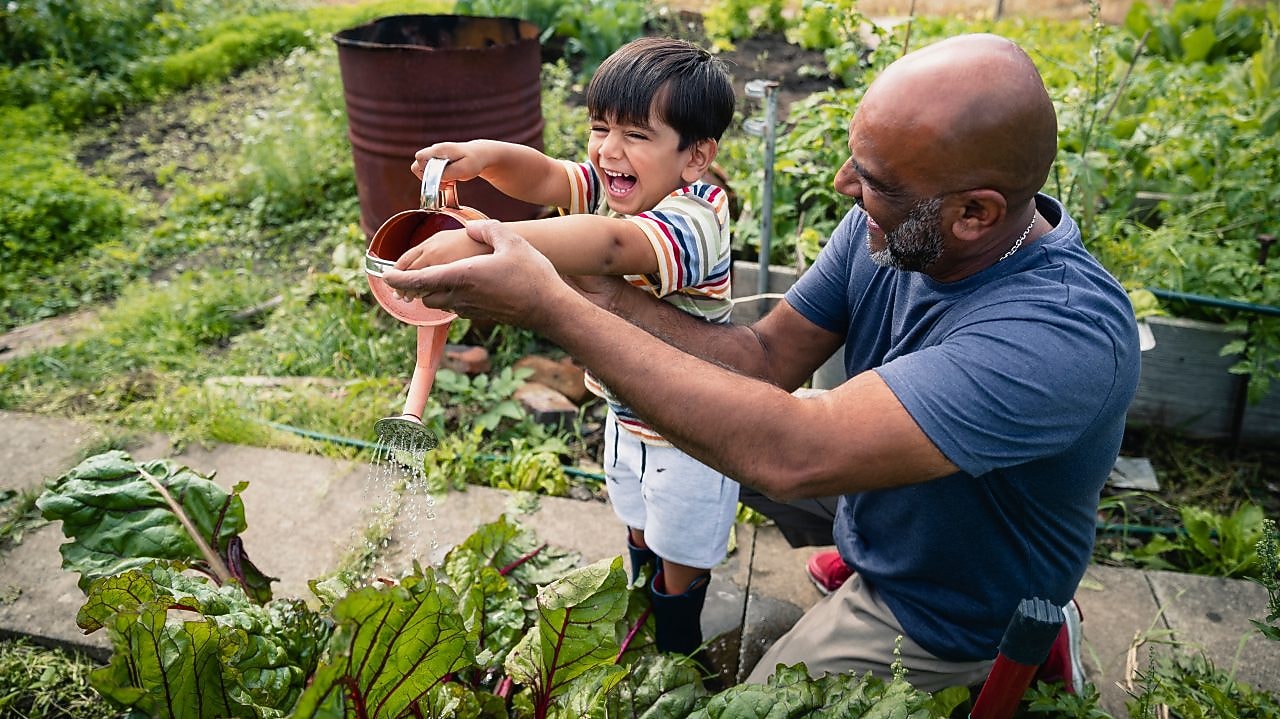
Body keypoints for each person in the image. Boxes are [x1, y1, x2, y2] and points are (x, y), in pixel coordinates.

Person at [384, 33, 1141, 693]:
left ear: (975, 212)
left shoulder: (1059, 334)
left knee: (757, 695)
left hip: (948, 599)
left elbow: (792, 452)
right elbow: (761, 360)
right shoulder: (892, 226)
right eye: (856, 160)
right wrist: (572, 282)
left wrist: (548, 301)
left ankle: (1029, 645)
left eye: (875, 182)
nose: (846, 187)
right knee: (702, 438)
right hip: (873, 493)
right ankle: (852, 545)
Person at [397, 36, 739, 659]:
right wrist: (484, 157)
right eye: (600, 127)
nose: (609, 149)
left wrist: (483, 242)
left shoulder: (695, 219)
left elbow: (611, 247)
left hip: (695, 430)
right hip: (626, 413)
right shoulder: (619, 186)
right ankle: (641, 604)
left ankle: (678, 645)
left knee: (682, 547)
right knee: (637, 519)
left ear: (695, 156)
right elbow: (549, 176)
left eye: (636, 134)